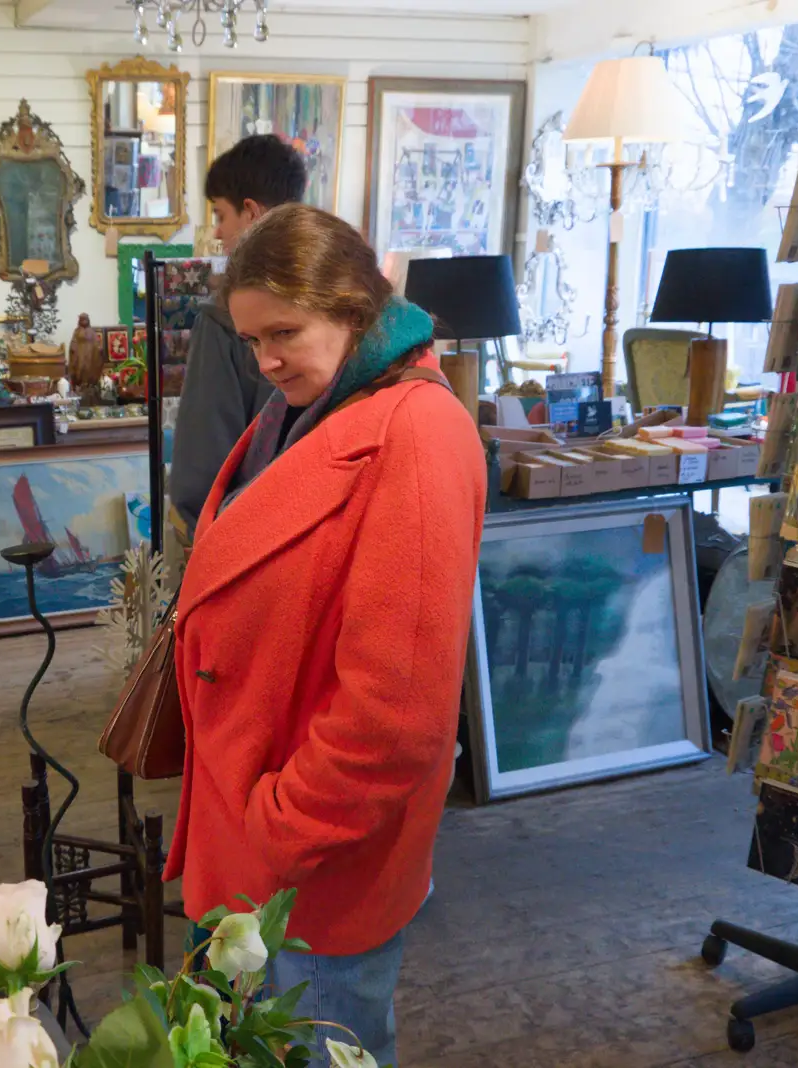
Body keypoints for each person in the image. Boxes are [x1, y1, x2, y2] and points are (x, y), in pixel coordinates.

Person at [165, 204, 485, 1068]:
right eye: (250, 340)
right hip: (252, 829)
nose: (265, 361)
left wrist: (281, 825)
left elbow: (399, 711)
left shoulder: (415, 431)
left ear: (353, 307)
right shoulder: (312, 410)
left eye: (284, 332)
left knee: (322, 1048)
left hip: (314, 859)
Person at [167, 134, 307, 544]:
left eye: (220, 215)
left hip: (247, 547)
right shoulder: (341, 311)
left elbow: (200, 476)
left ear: (251, 214)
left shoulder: (225, 321)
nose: (218, 231)